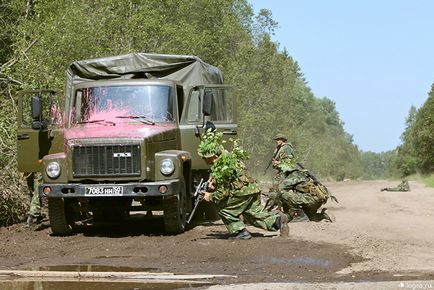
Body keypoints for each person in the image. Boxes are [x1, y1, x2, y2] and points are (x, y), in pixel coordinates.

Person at [198, 129, 289, 240]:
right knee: (252, 213)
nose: (204, 159)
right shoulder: (228, 158)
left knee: (222, 208)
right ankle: (278, 221)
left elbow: (223, 193)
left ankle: (240, 232)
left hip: (243, 193)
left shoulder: (222, 167)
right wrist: (214, 183)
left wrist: (209, 196)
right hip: (253, 189)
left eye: (205, 157)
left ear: (213, 156)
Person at [266, 133, 334, 223]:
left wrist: (269, 206)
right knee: (312, 217)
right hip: (316, 200)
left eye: (279, 139)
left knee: (283, 195)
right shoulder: (300, 173)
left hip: (311, 200)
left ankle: (301, 216)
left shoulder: (293, 175)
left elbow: (279, 190)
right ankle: (323, 215)